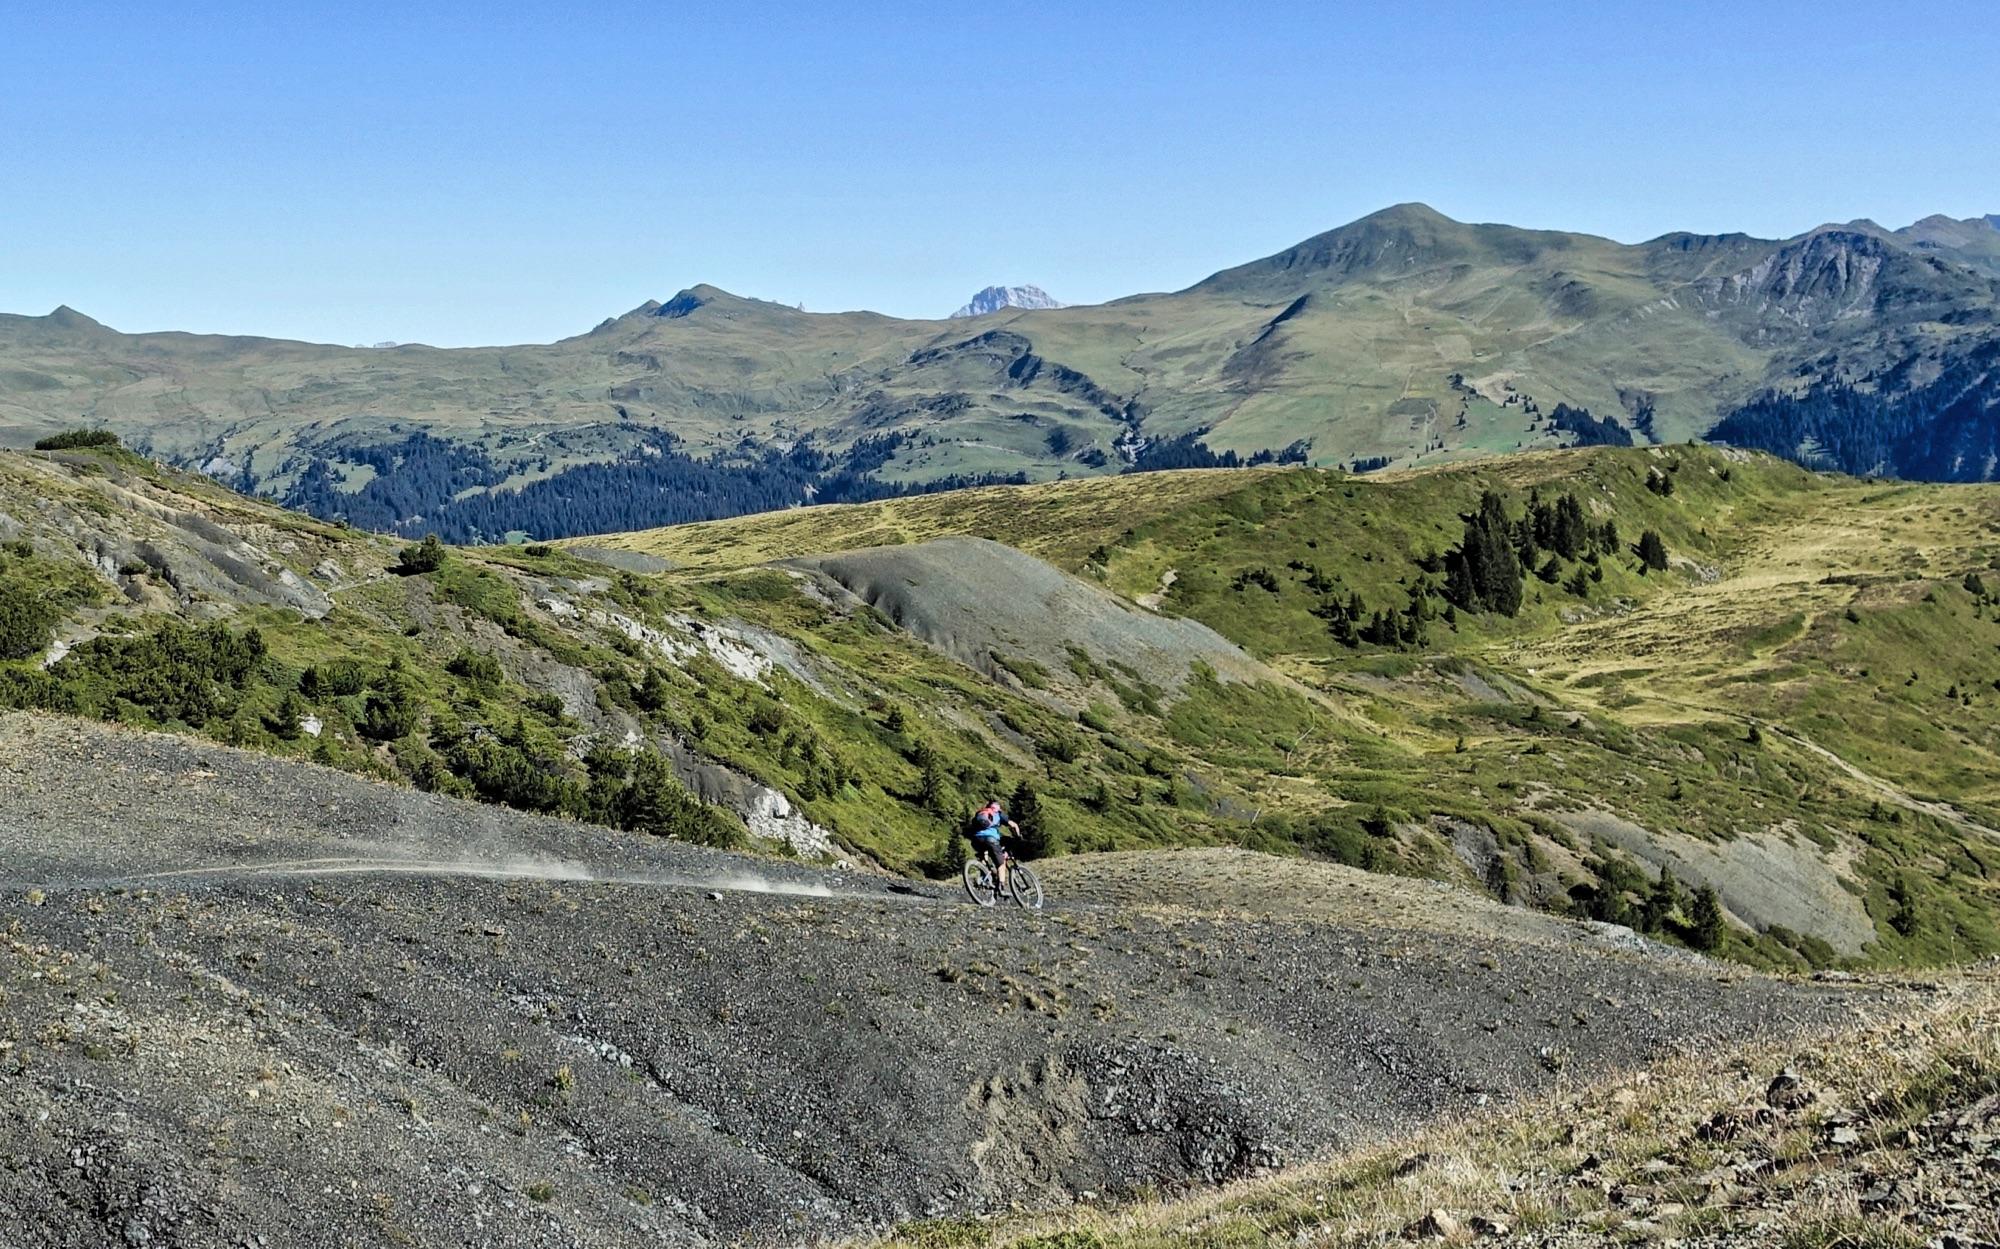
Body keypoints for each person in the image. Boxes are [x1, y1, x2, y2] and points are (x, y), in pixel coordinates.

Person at [968, 798, 1020, 884]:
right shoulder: (998, 814)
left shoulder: (980, 813)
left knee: (984, 853)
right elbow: (1014, 825)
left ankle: (984, 875)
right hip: (991, 838)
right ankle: (1001, 886)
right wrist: (1018, 836)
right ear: (997, 807)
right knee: (1001, 863)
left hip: (976, 840)